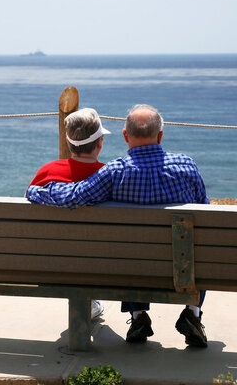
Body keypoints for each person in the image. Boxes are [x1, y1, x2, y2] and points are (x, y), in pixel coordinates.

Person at [26, 104, 209, 347]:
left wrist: (36, 191)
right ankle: (192, 314)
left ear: (125, 136)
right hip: (180, 265)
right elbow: (205, 211)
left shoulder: (114, 172)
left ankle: (138, 315)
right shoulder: (187, 166)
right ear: (160, 135)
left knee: (132, 250)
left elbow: (73, 196)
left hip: (132, 267)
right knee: (197, 245)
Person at [28, 107, 111, 320]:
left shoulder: (47, 172)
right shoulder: (110, 176)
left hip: (53, 262)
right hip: (104, 263)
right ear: (100, 143)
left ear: (68, 143)